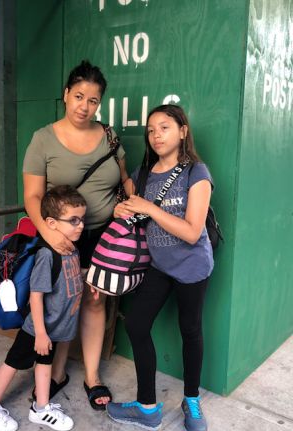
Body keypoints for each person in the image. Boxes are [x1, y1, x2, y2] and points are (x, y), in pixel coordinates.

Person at [22, 60, 126, 410]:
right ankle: (57, 373)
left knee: (95, 301)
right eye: (79, 96)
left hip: (104, 235)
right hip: (62, 236)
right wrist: (48, 234)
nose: (84, 106)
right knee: (64, 302)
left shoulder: (109, 135)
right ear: (66, 94)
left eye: (93, 100)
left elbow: (124, 179)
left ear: (100, 103)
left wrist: (127, 204)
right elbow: (32, 196)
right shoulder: (43, 139)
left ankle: (92, 376)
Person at [106, 104, 213, 431]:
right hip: (159, 265)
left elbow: (192, 232)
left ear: (182, 131)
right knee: (137, 325)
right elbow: (136, 213)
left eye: (164, 127)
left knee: (190, 330)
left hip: (192, 266)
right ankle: (147, 407)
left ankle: (191, 399)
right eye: (151, 130)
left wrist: (149, 209)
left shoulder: (196, 172)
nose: (156, 135)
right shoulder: (143, 174)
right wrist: (122, 211)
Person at [0, 186, 87, 431]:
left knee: (45, 363)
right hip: (37, 329)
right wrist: (41, 333)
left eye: (82, 219)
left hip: (53, 326)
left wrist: (87, 281)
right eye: (73, 220)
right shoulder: (48, 255)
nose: (80, 225)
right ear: (51, 223)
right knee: (13, 362)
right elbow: (36, 297)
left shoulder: (71, 248)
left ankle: (41, 408)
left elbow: (68, 279)